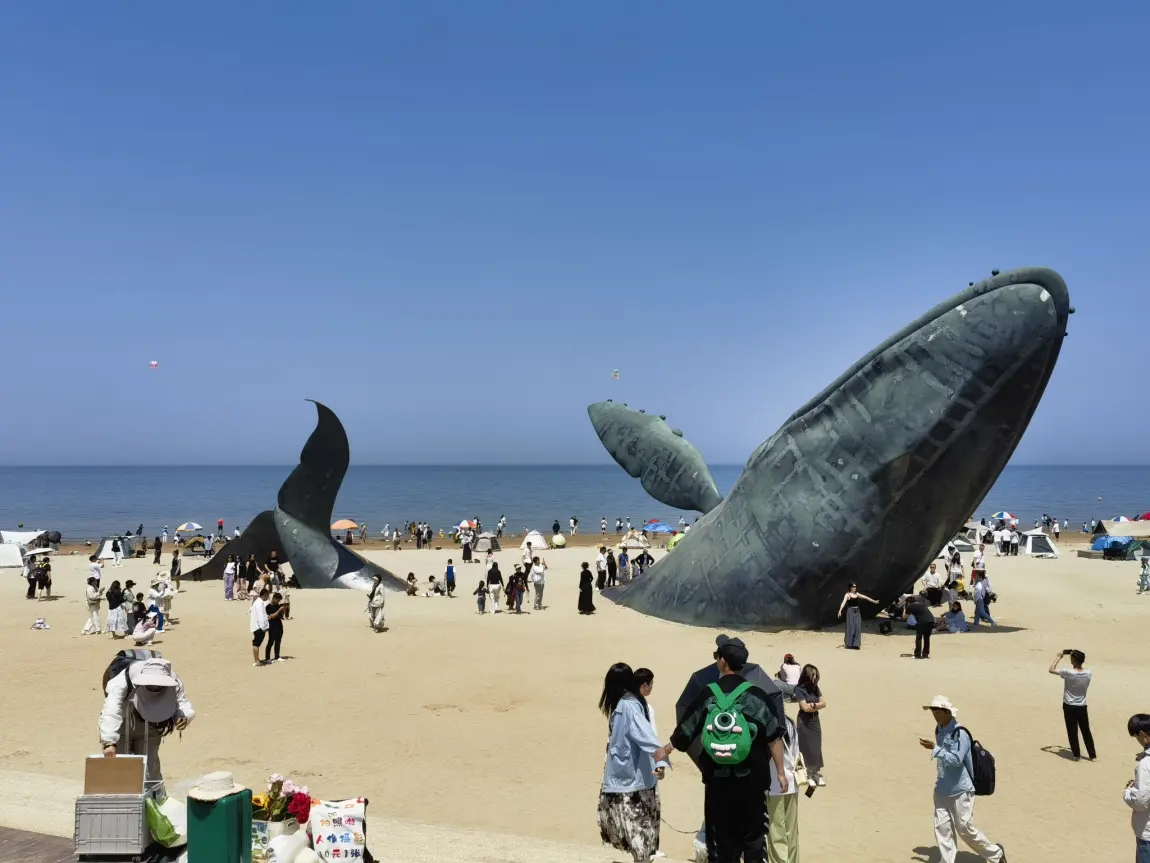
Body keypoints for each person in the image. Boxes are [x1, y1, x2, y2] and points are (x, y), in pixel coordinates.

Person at [662, 639, 786, 863]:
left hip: (718, 780)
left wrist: (666, 749)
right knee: (754, 839)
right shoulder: (757, 696)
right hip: (753, 780)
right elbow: (773, 738)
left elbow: (685, 731)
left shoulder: (708, 694)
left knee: (723, 841)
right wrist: (780, 772)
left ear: (722, 662)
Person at [920, 695, 1006, 863]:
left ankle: (996, 854)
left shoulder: (960, 733)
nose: (935, 716)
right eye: (933, 712)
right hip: (942, 788)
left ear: (947, 712)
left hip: (961, 789)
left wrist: (935, 749)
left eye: (937, 712)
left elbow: (956, 760)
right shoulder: (939, 729)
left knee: (965, 829)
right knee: (943, 828)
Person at [597, 663, 664, 863]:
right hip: (628, 774)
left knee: (635, 824)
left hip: (632, 778)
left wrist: (660, 758)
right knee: (636, 824)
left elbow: (647, 736)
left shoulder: (629, 706)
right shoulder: (627, 704)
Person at [99, 657, 193, 784]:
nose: (154, 687)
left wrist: (183, 716)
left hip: (152, 726)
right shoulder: (123, 680)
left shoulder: (174, 681)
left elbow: (182, 702)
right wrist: (109, 742)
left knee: (150, 769)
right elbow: (111, 709)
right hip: (122, 726)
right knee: (121, 768)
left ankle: (154, 795)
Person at [1049, 650, 1096, 760]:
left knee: (1072, 731)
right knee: (1086, 731)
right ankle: (1092, 755)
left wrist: (1059, 657)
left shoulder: (1069, 672)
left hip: (1069, 705)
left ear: (1073, 660)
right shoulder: (1088, 672)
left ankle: (1076, 755)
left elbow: (1051, 669)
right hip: (1082, 706)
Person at [767, 712, 801, 863]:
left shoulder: (769, 723)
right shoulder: (790, 722)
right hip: (792, 782)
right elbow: (796, 751)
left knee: (776, 830)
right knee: (791, 830)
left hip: (774, 783)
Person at [794, 663, 825, 788]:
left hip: (815, 719)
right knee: (806, 746)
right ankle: (808, 774)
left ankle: (815, 773)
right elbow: (804, 708)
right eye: (813, 675)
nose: (815, 677)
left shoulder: (815, 688)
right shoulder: (799, 689)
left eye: (816, 675)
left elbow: (824, 703)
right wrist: (815, 705)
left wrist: (812, 705)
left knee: (816, 746)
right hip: (804, 720)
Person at [1124, 713, 1150, 862]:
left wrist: (1127, 791)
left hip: (1148, 834)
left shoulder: (1145, 765)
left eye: (1136, 737)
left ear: (1142, 734)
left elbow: (1140, 801)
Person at [837, 583, 879, 649]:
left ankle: (856, 644)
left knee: (857, 626)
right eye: (853, 586)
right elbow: (843, 602)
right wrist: (840, 610)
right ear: (850, 587)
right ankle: (849, 644)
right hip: (850, 612)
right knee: (851, 627)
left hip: (857, 612)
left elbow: (866, 597)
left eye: (855, 586)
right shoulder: (847, 595)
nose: (855, 588)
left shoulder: (857, 594)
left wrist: (874, 601)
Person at [906, 593, 936, 659]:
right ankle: (925, 654)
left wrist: (905, 609)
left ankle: (917, 654)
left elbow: (905, 616)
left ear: (908, 602)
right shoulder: (921, 604)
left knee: (919, 638)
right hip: (931, 620)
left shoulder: (910, 606)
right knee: (926, 638)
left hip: (922, 621)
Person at [264, 592, 287, 662]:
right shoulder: (268, 607)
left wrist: (283, 610)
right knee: (270, 642)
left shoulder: (278, 606)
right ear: (274, 598)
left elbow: (281, 616)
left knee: (278, 641)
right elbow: (271, 616)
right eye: (278, 600)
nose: (278, 602)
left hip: (279, 625)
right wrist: (279, 610)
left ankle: (277, 656)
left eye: (279, 600)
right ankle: (267, 658)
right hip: (272, 626)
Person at [250, 588, 270, 667]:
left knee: (257, 643)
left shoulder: (258, 602)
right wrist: (264, 628)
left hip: (258, 627)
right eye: (267, 596)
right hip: (259, 628)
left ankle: (257, 659)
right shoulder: (259, 603)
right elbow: (261, 617)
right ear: (264, 595)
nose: (267, 598)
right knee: (256, 644)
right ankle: (256, 661)